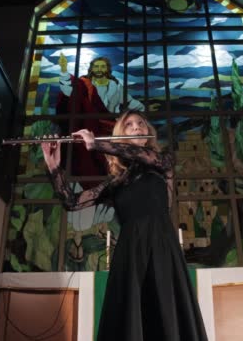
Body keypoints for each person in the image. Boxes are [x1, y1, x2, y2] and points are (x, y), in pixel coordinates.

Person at [41, 112, 208, 341]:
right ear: (121, 135)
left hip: (162, 249)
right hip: (130, 254)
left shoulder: (163, 164)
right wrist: (54, 167)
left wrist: (99, 145)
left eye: (141, 123)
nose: (137, 127)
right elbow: (72, 202)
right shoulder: (116, 182)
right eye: (129, 125)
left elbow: (146, 157)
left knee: (167, 317)